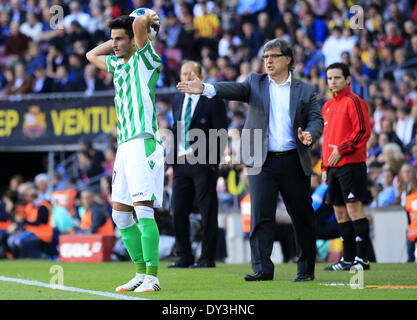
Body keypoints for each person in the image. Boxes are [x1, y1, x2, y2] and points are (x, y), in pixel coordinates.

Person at [177, 38, 323, 282]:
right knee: (260, 215)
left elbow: (316, 119)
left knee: (302, 216)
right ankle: (262, 269)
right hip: (260, 161)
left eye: (273, 56)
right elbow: (233, 89)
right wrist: (205, 88)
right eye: (265, 57)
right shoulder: (256, 82)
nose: (268, 61)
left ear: (288, 59)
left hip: (293, 160)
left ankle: (306, 269)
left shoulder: (305, 90)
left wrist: (310, 133)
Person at [86, 12, 163, 292]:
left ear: (136, 41)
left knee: (143, 211)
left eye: (120, 39)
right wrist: (117, 39)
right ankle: (140, 273)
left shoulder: (146, 60)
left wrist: (144, 18)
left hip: (144, 142)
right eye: (112, 39)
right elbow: (90, 55)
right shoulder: (117, 66)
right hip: (125, 147)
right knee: (120, 215)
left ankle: (153, 278)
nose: (114, 44)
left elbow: (140, 27)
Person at [168, 61, 227, 269]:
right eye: (183, 74)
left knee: (207, 211)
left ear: (200, 76)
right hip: (181, 163)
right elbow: (175, 131)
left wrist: (213, 162)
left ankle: (207, 258)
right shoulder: (177, 100)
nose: (186, 78)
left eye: (190, 74)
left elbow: (221, 132)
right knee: (178, 209)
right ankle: (184, 255)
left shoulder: (212, 99)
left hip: (202, 163)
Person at [321, 62, 372, 271]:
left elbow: (362, 132)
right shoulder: (327, 106)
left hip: (351, 164)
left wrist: (341, 149)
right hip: (332, 168)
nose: (333, 82)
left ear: (348, 79)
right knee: (340, 213)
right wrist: (324, 167)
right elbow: (326, 140)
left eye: (337, 78)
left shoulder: (355, 102)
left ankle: (363, 259)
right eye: (330, 78)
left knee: (354, 209)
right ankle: (348, 259)